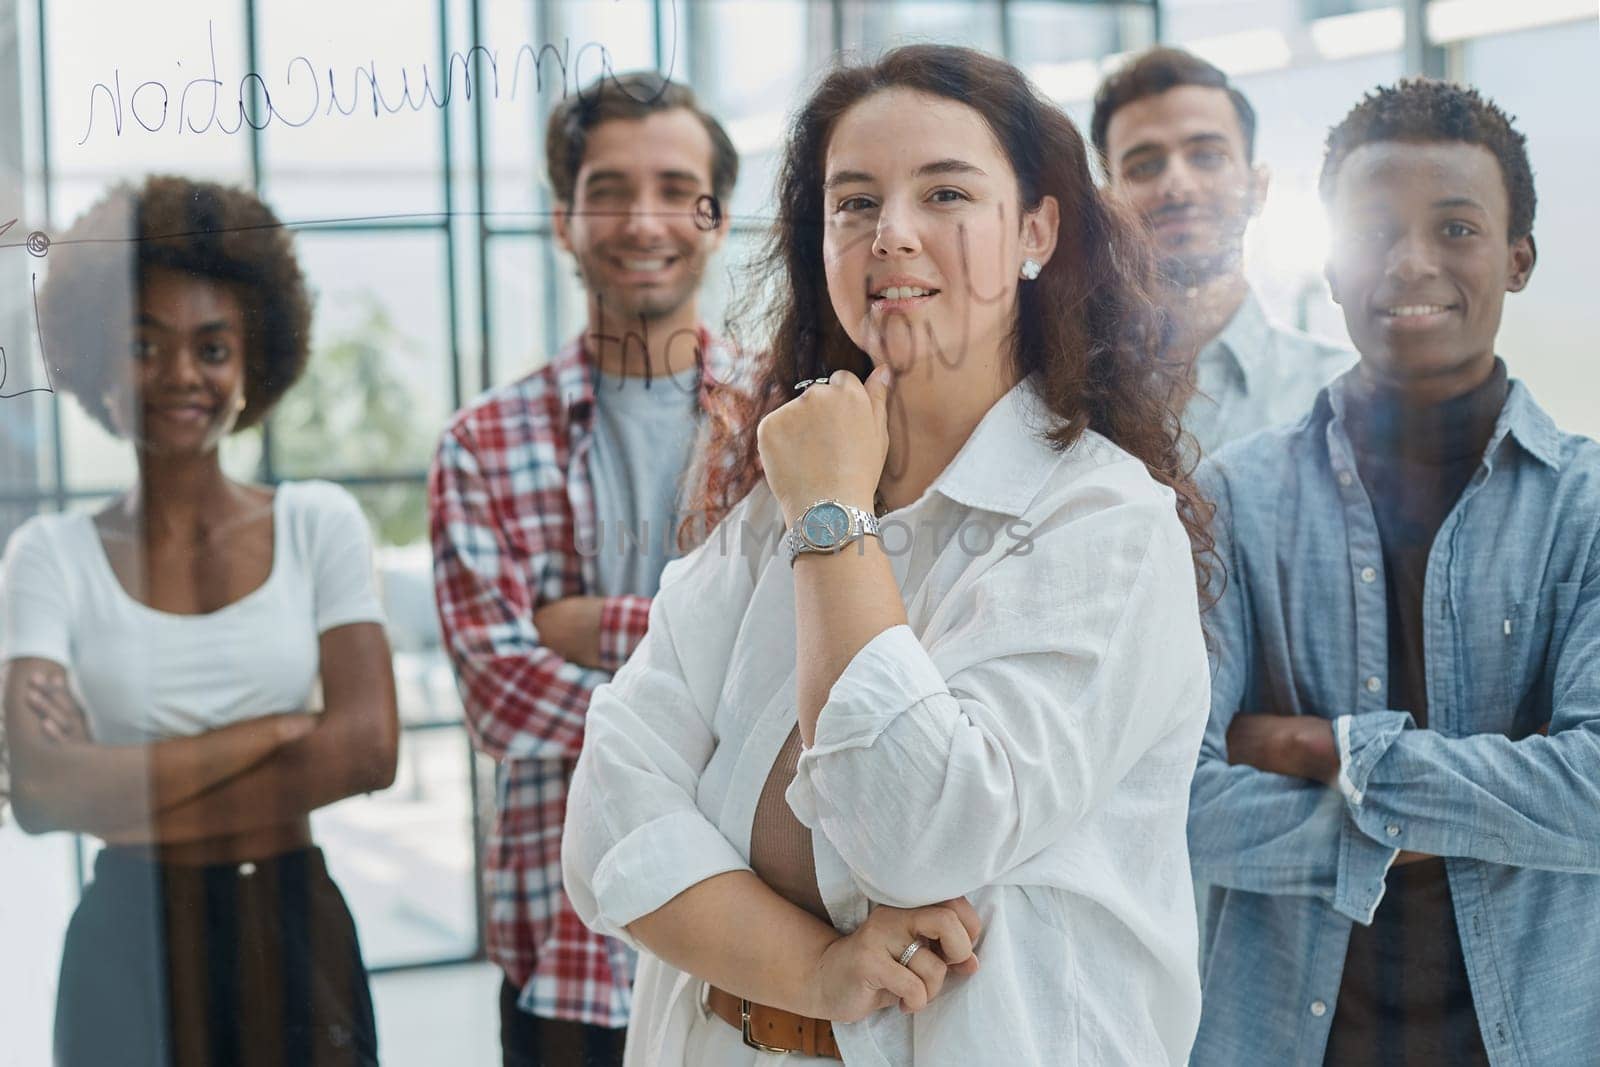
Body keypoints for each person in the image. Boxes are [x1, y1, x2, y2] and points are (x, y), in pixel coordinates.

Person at [562, 44, 1213, 1066]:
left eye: (946, 193)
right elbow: (608, 820)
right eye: (853, 203)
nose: (891, 236)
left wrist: (831, 517)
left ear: (1035, 230)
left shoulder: (1105, 523)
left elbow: (922, 830)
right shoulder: (773, 502)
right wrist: (817, 973)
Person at [1189, 80, 1600, 1066]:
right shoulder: (1233, 497)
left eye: (1454, 227)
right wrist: (1486, 799)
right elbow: (1176, 805)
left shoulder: (1585, 510)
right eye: (1374, 230)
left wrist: (1326, 746)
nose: (1410, 261)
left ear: (1517, 257)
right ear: (1329, 262)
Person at [0, 175, 398, 1066]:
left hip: (292, 928)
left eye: (212, 347)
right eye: (144, 344)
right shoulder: (47, 557)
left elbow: (368, 749)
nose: (181, 375)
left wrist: (115, 788)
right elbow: (39, 794)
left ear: (253, 361)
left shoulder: (317, 523)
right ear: (97, 363)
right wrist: (278, 732)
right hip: (126, 937)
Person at [428, 70, 740, 1066]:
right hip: (570, 947)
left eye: (673, 186)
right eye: (608, 188)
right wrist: (706, 685)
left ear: (717, 215)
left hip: (761, 943)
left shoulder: (795, 420)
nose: (640, 219)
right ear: (563, 218)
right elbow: (498, 698)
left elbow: (798, 659)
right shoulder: (481, 442)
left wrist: (591, 627)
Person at [1092, 47, 1351, 457]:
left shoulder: (1343, 394)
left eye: (1208, 157)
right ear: (1107, 207)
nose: (1178, 186)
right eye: (1143, 166)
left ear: (1258, 187)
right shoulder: (1069, 394)